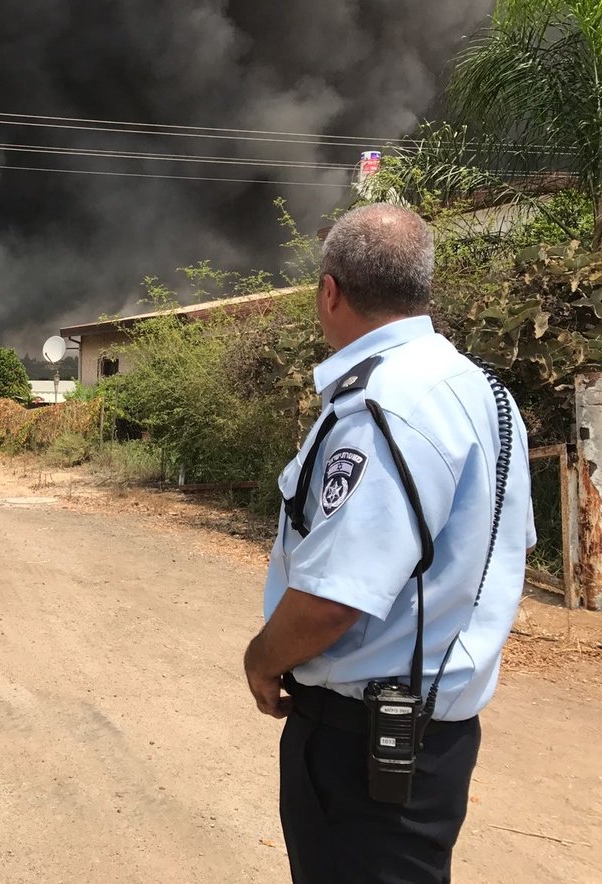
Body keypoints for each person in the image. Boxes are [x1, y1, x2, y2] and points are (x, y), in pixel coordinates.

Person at [242, 203, 534, 884]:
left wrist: (261, 659)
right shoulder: (486, 392)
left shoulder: (381, 408)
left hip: (361, 745)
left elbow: (332, 601)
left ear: (329, 291)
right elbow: (500, 550)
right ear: (422, 289)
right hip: (437, 738)